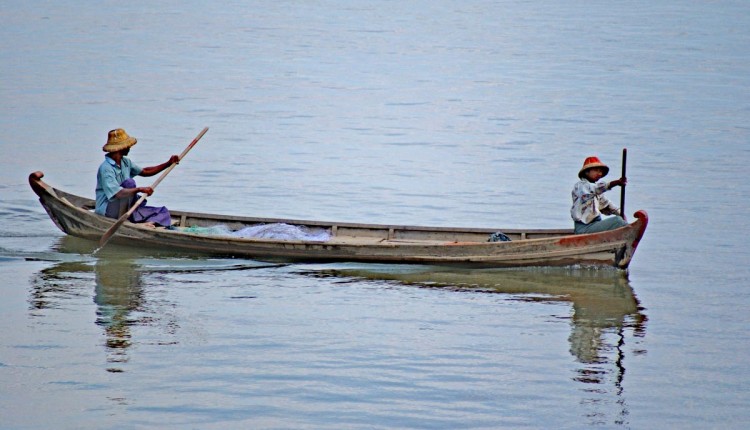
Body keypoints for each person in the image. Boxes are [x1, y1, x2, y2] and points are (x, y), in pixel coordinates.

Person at [95, 128, 180, 227]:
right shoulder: (106, 168)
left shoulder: (125, 162)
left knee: (162, 211)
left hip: (127, 208)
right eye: (127, 146)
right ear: (120, 148)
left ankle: (149, 223)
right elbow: (118, 193)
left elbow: (145, 171)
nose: (129, 148)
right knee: (129, 183)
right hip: (109, 210)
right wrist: (139, 189)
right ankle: (127, 219)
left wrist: (168, 163)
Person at [570, 156, 627, 234]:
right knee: (617, 221)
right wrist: (616, 183)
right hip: (584, 228)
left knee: (620, 219)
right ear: (587, 172)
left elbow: (607, 205)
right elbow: (597, 188)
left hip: (593, 225)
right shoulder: (581, 186)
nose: (599, 173)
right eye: (596, 170)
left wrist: (621, 214)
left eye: (600, 171)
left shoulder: (596, 194)